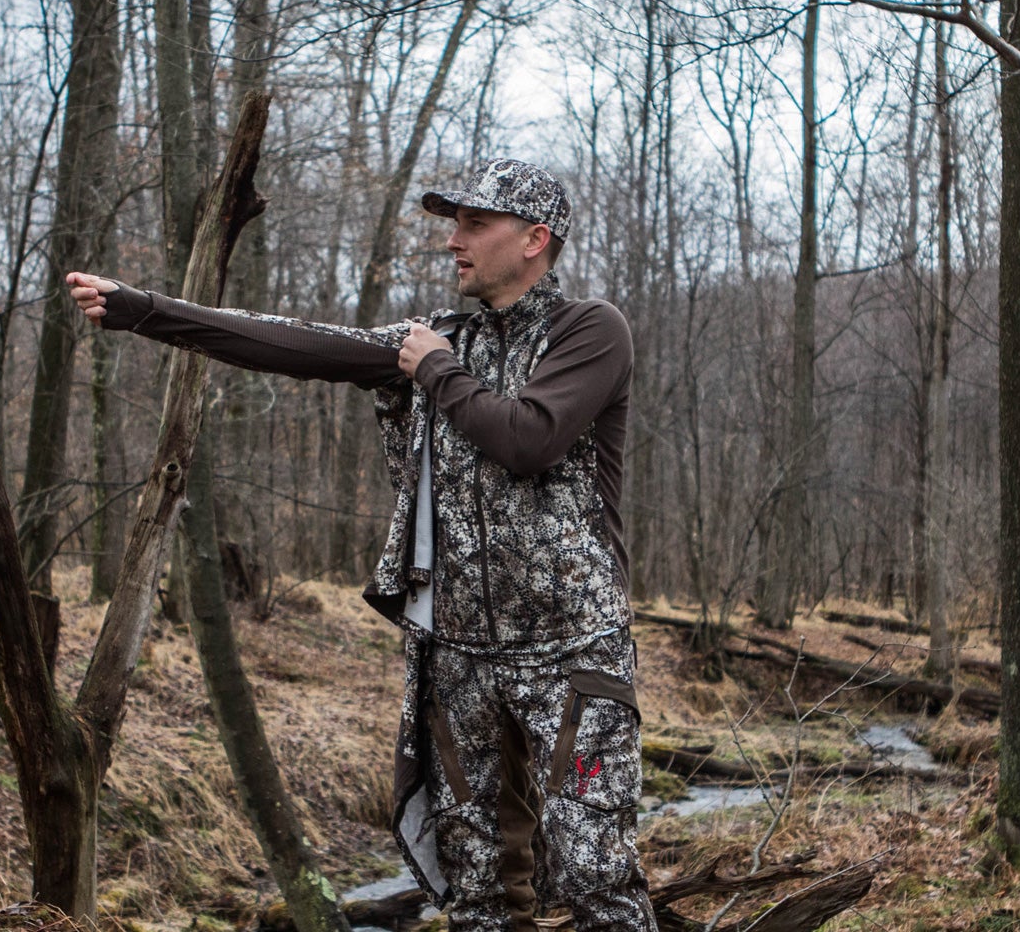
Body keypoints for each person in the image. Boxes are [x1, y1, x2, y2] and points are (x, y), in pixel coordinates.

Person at [68, 159, 656, 932]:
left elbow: (529, 439)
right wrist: (147, 310)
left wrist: (436, 370)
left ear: (534, 239)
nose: (454, 240)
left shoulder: (588, 330)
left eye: (475, 224)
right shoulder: (439, 339)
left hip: (572, 658)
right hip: (459, 663)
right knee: (479, 895)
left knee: (596, 881)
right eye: (453, 223)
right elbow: (296, 343)